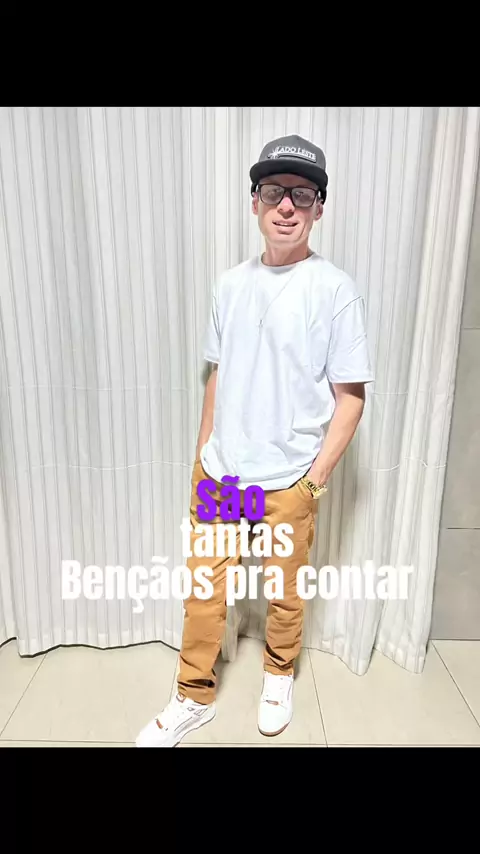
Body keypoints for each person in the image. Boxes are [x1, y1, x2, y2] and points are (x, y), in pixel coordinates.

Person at [136, 133, 374, 748]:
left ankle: (278, 674)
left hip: (289, 479)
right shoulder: (229, 285)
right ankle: (192, 695)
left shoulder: (335, 290)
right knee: (203, 593)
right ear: (255, 202)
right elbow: (218, 375)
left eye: (302, 194)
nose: (286, 206)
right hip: (221, 476)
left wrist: (313, 481)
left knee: (284, 594)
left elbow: (351, 397)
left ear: (319, 208)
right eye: (273, 192)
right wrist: (202, 457)